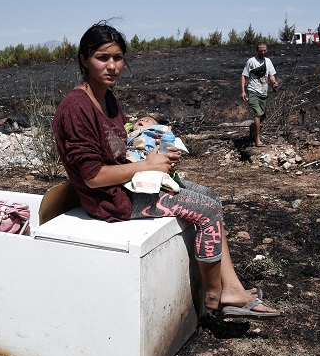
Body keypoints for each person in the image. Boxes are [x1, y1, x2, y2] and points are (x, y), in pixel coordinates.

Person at [53, 21, 280, 320]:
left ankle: (233, 287)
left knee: (211, 197)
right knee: (207, 211)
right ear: (84, 59)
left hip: (130, 184)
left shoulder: (107, 98)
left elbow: (117, 147)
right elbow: (93, 176)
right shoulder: (76, 107)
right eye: (102, 57)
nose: (112, 66)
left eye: (118, 58)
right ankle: (216, 296)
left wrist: (152, 146)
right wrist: (146, 166)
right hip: (112, 200)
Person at [240, 42, 278, 147]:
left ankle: (253, 127)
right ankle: (257, 139)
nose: (263, 52)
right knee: (258, 113)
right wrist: (243, 91)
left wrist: (274, 82)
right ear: (257, 50)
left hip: (263, 91)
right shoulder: (251, 61)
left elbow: (271, 75)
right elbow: (244, 75)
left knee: (263, 115)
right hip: (253, 90)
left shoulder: (268, 61)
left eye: (265, 50)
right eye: (261, 50)